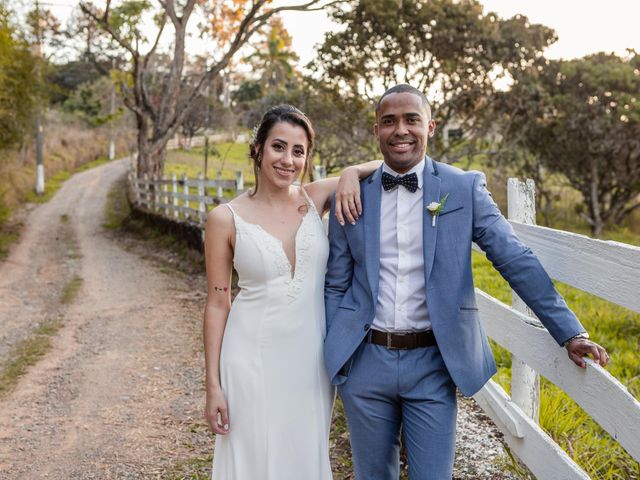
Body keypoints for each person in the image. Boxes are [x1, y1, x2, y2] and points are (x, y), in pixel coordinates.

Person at [323, 84, 610, 479]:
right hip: (365, 362)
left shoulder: (462, 189)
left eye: (412, 120)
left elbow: (514, 259)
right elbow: (335, 283)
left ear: (431, 127)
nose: (400, 130)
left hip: (433, 363)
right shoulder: (352, 195)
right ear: (376, 131)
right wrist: (338, 356)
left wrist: (569, 331)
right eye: (389, 121)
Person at [203, 104, 380, 480]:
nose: (288, 160)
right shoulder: (225, 219)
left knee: (304, 454)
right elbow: (218, 303)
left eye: (298, 151)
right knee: (253, 455)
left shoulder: (315, 199)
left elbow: (385, 165)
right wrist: (213, 386)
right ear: (258, 150)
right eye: (278, 147)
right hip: (249, 357)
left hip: (310, 360)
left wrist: (349, 172)